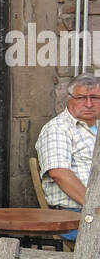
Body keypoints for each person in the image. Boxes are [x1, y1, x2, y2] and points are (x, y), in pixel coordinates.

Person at [36, 74, 100, 237]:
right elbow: (59, 173)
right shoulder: (58, 129)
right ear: (69, 98)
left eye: (95, 97)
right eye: (81, 98)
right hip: (76, 215)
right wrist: (94, 206)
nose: (89, 104)